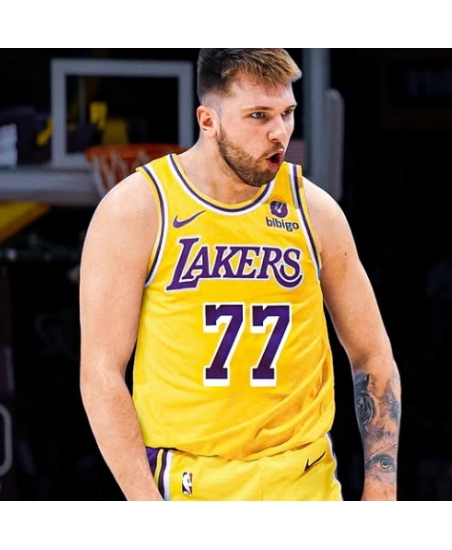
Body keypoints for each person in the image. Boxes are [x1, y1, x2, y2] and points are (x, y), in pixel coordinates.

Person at [79, 48, 401, 501]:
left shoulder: (316, 211)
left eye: (287, 113)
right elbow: (100, 373)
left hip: (305, 484)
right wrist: (144, 503)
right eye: (258, 115)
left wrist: (382, 488)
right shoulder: (137, 209)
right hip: (191, 486)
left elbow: (372, 353)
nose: (279, 132)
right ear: (208, 120)